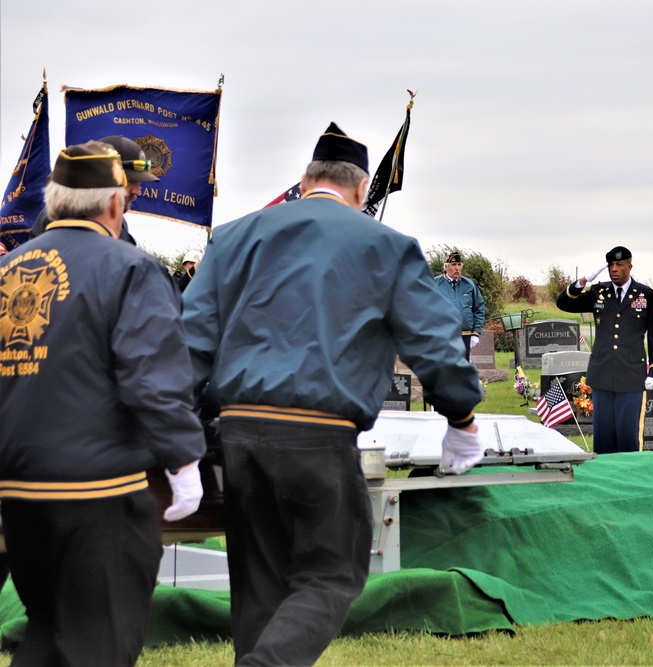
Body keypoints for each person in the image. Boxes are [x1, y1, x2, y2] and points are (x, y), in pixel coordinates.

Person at [182, 122, 485, 666]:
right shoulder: (386, 246)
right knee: (333, 573)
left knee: (258, 588)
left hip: (240, 431)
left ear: (304, 180)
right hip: (319, 432)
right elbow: (434, 343)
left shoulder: (233, 237)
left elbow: (190, 342)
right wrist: (460, 417)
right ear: (362, 190)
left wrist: (175, 430)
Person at [0, 141, 206, 666]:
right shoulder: (129, 267)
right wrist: (184, 460)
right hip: (97, 492)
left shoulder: (7, 270)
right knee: (101, 644)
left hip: (19, 493)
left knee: (46, 632)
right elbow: (153, 376)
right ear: (115, 204)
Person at [555, 246, 653, 454]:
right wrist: (583, 281)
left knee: (627, 438)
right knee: (603, 439)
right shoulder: (599, 292)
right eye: (611, 265)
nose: (614, 269)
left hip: (631, 375)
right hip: (602, 373)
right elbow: (563, 303)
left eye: (619, 265)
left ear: (629, 267)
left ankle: (629, 479)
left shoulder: (646, 295)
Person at [29, 135, 160, 245]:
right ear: (101, 177)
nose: (137, 191)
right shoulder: (61, 221)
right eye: (130, 181)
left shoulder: (118, 223)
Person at [433, 251, 486, 360]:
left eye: (459, 265)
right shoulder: (435, 284)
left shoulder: (469, 285)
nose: (457, 268)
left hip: (465, 335)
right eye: (453, 265)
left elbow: (479, 308)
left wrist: (476, 332)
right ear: (446, 267)